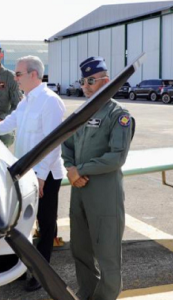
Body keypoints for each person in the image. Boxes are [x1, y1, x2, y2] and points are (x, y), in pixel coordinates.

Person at [0, 56, 66, 292]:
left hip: (45, 173)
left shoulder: (50, 102)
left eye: (18, 74)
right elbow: (5, 125)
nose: (14, 78)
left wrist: (40, 176)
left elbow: (53, 143)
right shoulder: (26, 101)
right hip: (24, 172)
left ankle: (41, 272)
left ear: (33, 75)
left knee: (45, 224)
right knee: (21, 221)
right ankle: (21, 267)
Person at [61, 56, 133, 300]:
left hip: (104, 194)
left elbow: (116, 157)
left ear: (107, 81)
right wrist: (72, 170)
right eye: (83, 80)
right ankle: (87, 293)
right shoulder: (81, 112)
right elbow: (66, 145)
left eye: (91, 80)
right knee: (80, 250)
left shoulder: (118, 115)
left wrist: (80, 170)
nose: (86, 85)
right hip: (79, 191)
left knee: (108, 255)